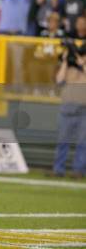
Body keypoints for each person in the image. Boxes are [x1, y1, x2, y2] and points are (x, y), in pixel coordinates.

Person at [50, 43, 86, 178]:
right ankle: (58, 169)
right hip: (67, 109)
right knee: (62, 141)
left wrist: (82, 64)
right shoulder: (69, 69)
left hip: (84, 110)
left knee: (83, 143)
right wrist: (65, 61)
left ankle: (79, 170)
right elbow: (59, 80)